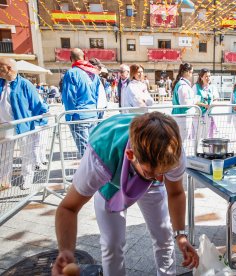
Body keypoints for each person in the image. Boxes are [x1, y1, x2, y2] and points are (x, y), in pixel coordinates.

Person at [51, 112, 199, 276]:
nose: (161, 179)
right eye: (152, 172)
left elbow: (176, 192)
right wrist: (66, 251)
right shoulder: (99, 159)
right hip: (112, 175)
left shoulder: (172, 153)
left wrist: (180, 235)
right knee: (112, 244)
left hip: (145, 164)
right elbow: (68, 208)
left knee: (164, 236)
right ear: (131, 155)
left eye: (164, 172)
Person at [0, 57, 49, 190]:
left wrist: (41, 119)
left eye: (1, 66)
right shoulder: (0, 83)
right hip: (4, 127)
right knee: (5, 155)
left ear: (9, 68)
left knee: (27, 153)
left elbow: (37, 104)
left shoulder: (25, 84)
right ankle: (4, 181)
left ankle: (27, 178)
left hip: (23, 125)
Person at [61, 48, 100, 156]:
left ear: (70, 59)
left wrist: (69, 116)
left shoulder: (71, 73)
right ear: (84, 57)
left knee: (84, 152)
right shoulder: (93, 73)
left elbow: (69, 97)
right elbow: (97, 95)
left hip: (79, 116)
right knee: (93, 149)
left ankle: (89, 172)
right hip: (92, 114)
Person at [171, 63, 196, 142]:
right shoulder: (183, 85)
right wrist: (194, 100)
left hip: (181, 115)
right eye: (192, 72)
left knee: (180, 141)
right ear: (188, 72)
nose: (192, 75)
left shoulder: (181, 84)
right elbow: (184, 103)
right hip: (183, 116)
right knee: (182, 141)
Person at [192, 68, 216, 138]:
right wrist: (205, 105)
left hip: (208, 115)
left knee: (206, 135)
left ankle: (205, 149)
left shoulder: (212, 87)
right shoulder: (196, 87)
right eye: (206, 76)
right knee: (198, 135)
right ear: (201, 77)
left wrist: (212, 102)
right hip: (198, 115)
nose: (208, 78)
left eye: (209, 76)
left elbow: (215, 98)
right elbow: (194, 101)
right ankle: (196, 149)